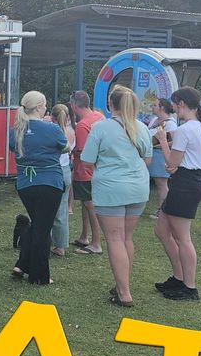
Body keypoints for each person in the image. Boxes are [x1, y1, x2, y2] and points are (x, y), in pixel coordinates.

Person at [81, 87, 152, 307]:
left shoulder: (100, 128)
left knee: (114, 239)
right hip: (138, 187)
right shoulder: (141, 127)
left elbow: (86, 160)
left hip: (111, 189)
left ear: (110, 104)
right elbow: (148, 159)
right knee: (126, 238)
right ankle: (123, 285)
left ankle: (124, 292)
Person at [153, 87, 201, 301]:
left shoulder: (187, 129)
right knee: (161, 230)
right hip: (185, 182)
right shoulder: (200, 127)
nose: (174, 108)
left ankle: (189, 286)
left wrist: (161, 140)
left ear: (181, 104)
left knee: (183, 238)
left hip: (186, 184)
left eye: (175, 104)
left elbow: (171, 163)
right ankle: (179, 277)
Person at [9, 91, 66, 284]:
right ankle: (40, 276)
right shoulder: (52, 129)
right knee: (43, 228)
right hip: (50, 183)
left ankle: (22, 264)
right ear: (40, 107)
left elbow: (12, 147)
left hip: (25, 184)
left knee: (38, 224)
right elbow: (65, 146)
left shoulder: (16, 130)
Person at [69, 90, 103, 255]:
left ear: (74, 105)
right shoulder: (98, 116)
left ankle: (96, 243)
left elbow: (81, 151)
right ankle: (84, 236)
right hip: (98, 169)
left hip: (85, 170)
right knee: (85, 202)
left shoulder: (82, 126)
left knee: (89, 204)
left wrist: (69, 149)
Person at [50, 104, 76, 257]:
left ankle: (52, 241)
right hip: (66, 170)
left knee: (48, 209)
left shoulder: (52, 132)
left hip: (53, 169)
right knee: (62, 209)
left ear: (52, 116)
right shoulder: (71, 132)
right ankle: (61, 244)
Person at [147, 98, 177, 218]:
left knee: (161, 184)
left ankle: (163, 210)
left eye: (155, 105)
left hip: (160, 155)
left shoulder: (170, 124)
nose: (152, 107)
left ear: (162, 108)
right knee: (158, 183)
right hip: (153, 154)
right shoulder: (154, 120)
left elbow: (175, 141)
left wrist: (160, 144)